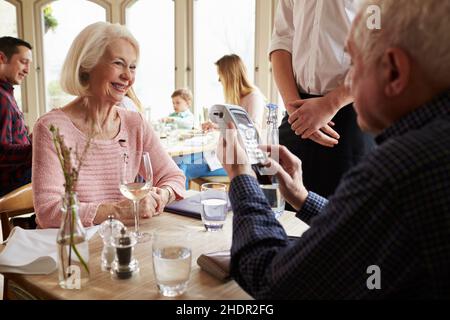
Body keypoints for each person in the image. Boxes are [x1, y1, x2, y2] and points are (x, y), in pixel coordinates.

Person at [218, 0, 450, 299]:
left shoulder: (398, 169)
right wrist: (303, 198)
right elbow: (370, 232)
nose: (347, 83)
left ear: (393, 72)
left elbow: (273, 285)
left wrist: (240, 177)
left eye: (353, 64)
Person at [32, 22, 185, 228]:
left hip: (125, 243)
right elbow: (49, 211)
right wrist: (118, 211)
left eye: (132, 67)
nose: (128, 77)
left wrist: (162, 195)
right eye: (118, 63)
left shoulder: (135, 123)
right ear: (87, 66)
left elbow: (173, 176)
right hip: (75, 250)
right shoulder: (51, 128)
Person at [270, 0, 374, 198]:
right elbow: (281, 43)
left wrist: (330, 103)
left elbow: (378, 51)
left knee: (343, 218)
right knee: (279, 213)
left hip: (350, 115)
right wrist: (295, 110)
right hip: (297, 114)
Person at [0, 36, 33, 197]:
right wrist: (36, 149)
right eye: (23, 62)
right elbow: (2, 152)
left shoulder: (6, 93)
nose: (27, 70)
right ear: (1, 58)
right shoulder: (1, 98)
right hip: (7, 183)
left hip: (15, 175)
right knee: (64, 171)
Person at [202, 54, 266, 132]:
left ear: (229, 76)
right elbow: (232, 126)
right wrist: (214, 126)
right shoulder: (235, 98)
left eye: (220, 75)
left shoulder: (254, 97)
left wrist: (219, 126)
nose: (219, 80)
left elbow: (254, 130)